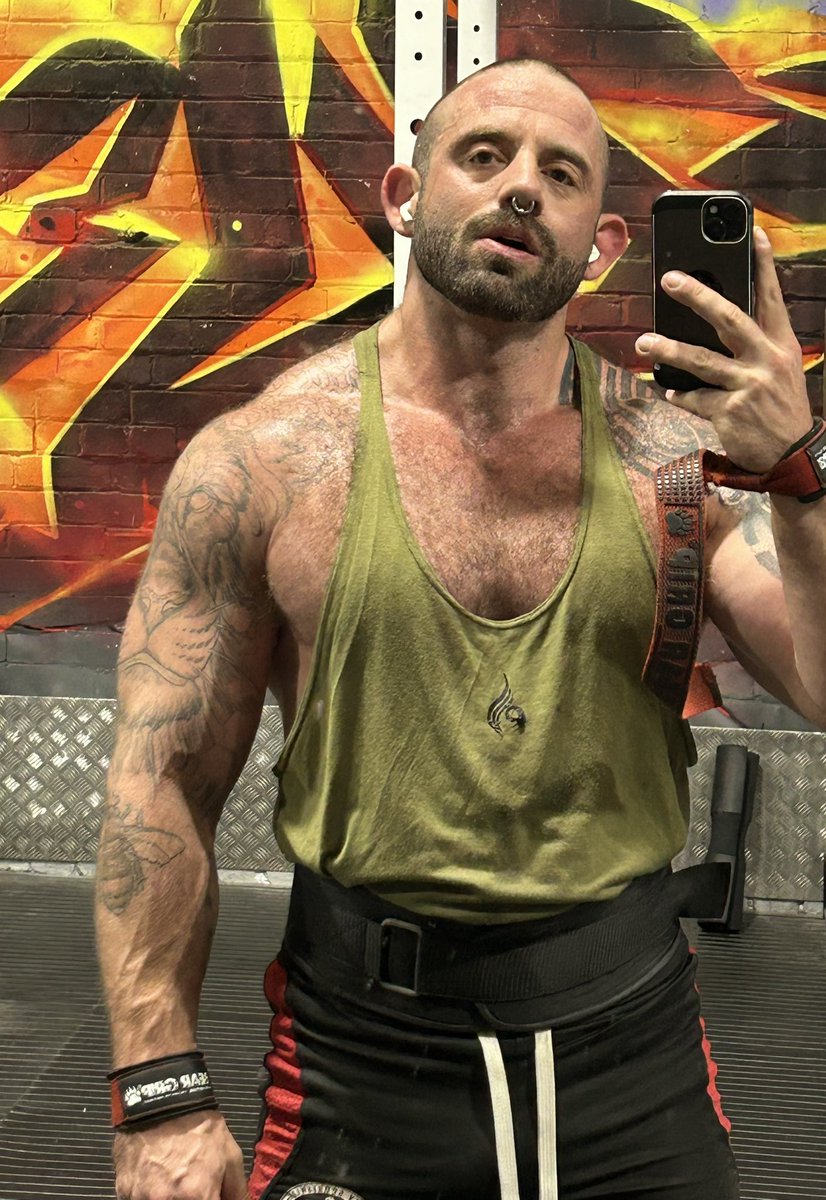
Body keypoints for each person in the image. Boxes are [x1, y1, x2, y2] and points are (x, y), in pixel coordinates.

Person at [95, 57, 826, 1200]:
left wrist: (797, 474)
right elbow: (162, 784)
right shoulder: (261, 461)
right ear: (404, 195)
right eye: (483, 156)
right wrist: (161, 1093)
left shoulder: (673, 459)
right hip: (355, 1059)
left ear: (604, 245)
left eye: (561, 174)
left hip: (632, 1049)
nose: (521, 186)